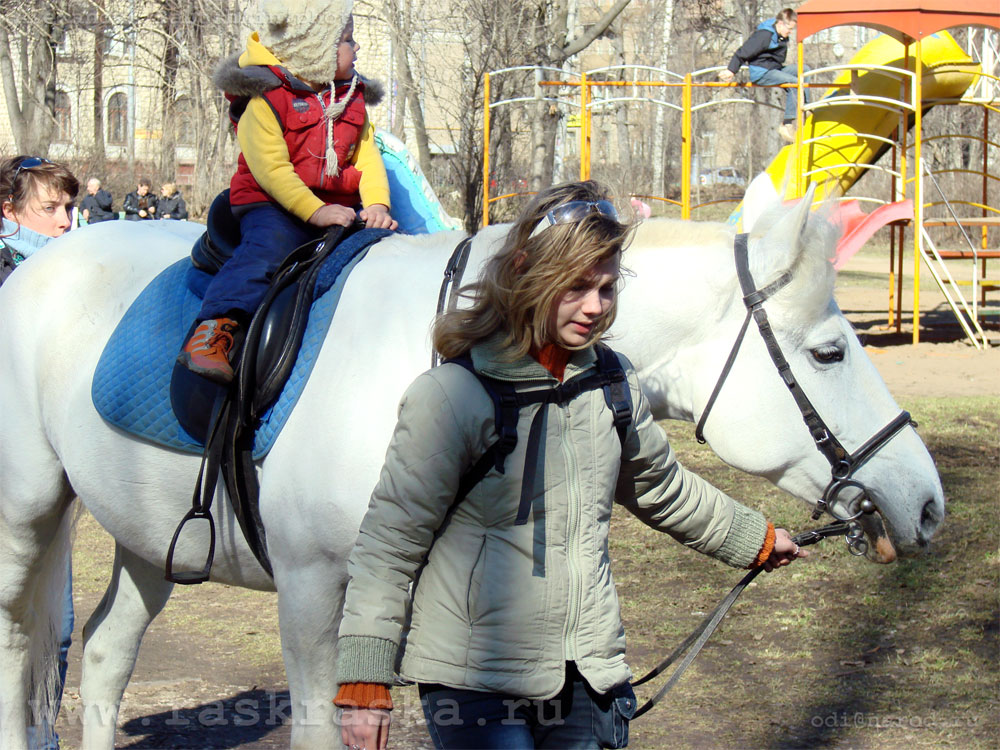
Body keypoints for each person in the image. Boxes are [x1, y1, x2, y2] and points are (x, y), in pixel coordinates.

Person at [333, 181, 807, 750]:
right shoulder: (451, 396)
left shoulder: (611, 384)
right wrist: (365, 682)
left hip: (589, 670)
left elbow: (662, 487)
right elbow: (388, 546)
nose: (595, 307)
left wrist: (755, 538)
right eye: (577, 287)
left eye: (607, 288)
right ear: (529, 274)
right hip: (475, 678)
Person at [176, 0, 397, 386]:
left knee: (387, 246)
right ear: (314, 49)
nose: (356, 47)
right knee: (269, 249)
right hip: (272, 203)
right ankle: (214, 330)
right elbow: (272, 171)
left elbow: (368, 157)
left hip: (332, 206)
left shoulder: (349, 98)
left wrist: (377, 203)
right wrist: (315, 212)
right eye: (346, 40)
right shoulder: (264, 99)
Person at [0, 155, 79, 749]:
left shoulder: (75, 272)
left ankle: (39, 733)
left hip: (46, 480)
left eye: (70, 207)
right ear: (10, 212)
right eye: (50, 209)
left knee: (55, 623)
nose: (65, 221)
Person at [718, 8, 809, 143]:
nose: (790, 32)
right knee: (793, 83)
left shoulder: (781, 35)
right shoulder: (764, 35)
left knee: (804, 70)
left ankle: (806, 107)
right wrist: (731, 70)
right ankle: (787, 124)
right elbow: (743, 51)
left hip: (775, 69)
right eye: (789, 28)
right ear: (780, 23)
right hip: (762, 72)